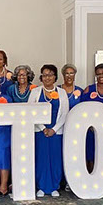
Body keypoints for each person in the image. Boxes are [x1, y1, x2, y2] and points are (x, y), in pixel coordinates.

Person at [29, 64, 69, 197]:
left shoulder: (62, 92)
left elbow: (65, 113)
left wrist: (54, 129)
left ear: (55, 77)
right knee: (41, 158)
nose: (47, 78)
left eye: (50, 75)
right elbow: (31, 111)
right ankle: (41, 186)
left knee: (55, 159)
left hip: (56, 132)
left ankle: (54, 187)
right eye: (45, 75)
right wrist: (43, 128)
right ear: (41, 77)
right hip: (40, 131)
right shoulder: (35, 92)